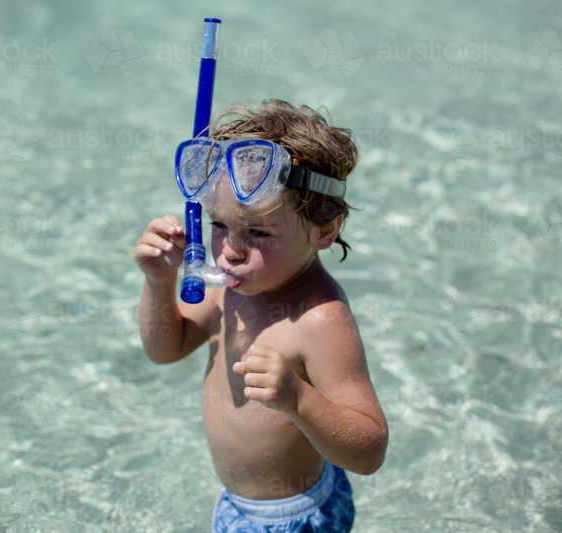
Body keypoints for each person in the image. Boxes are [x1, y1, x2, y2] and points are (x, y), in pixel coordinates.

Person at [133, 99, 388, 532]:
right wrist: (159, 282)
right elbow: (166, 349)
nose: (230, 251)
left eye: (257, 232)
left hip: (293, 517)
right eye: (218, 224)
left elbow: (369, 453)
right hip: (236, 504)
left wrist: (298, 398)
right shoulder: (227, 287)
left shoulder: (319, 320)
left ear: (325, 230)